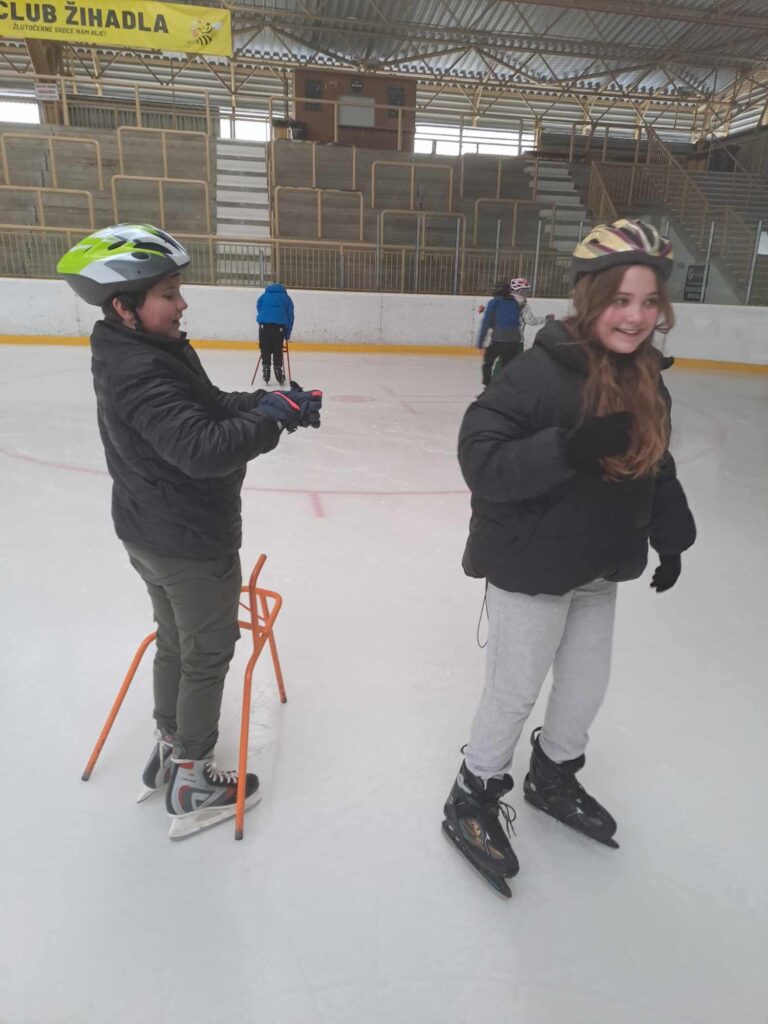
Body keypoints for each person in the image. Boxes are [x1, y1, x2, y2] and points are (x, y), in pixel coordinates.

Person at [443, 219, 696, 897]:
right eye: (621, 300)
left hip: (597, 569)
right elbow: (481, 459)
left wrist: (671, 535)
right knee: (514, 691)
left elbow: (655, 465)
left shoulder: (648, 380)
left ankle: (552, 776)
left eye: (649, 301)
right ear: (590, 298)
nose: (636, 316)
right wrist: (568, 448)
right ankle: (471, 793)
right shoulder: (536, 374)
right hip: (530, 569)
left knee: (585, 689)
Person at [57, 224, 323, 840]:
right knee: (207, 653)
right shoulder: (141, 369)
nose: (182, 304)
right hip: (187, 537)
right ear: (125, 305)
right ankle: (192, 779)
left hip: (152, 528)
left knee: (176, 642)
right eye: (169, 293)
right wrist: (270, 421)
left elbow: (205, 406)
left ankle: (171, 746)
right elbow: (202, 449)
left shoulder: (145, 350)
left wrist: (271, 404)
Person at [476, 279, 522, 388]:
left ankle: (488, 386)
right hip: (514, 340)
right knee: (508, 366)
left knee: (488, 362)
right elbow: (516, 321)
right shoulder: (515, 303)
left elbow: (486, 324)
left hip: (499, 339)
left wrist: (480, 344)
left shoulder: (494, 303)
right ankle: (508, 387)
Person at [256, 282, 294, 385]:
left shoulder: (264, 296)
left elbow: (259, 307)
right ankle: (278, 371)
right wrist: (287, 334)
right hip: (278, 329)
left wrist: (262, 318)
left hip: (264, 327)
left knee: (265, 348)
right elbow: (290, 317)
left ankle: (266, 368)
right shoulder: (286, 298)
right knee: (277, 350)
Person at [509, 277, 554, 348]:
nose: (526, 293)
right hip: (517, 339)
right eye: (525, 290)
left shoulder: (504, 301)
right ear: (520, 290)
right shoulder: (523, 305)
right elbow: (530, 321)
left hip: (502, 338)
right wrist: (546, 319)